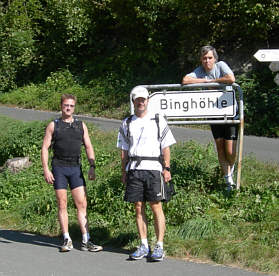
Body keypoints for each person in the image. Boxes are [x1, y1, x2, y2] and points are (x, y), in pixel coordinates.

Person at [117, 86, 176, 261]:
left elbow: (166, 146)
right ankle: (143, 244)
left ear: (147, 101)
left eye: (143, 99)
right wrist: (124, 171)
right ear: (133, 101)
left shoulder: (158, 120)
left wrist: (167, 168)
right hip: (134, 168)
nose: (140, 102)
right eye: (137, 99)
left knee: (155, 205)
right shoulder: (127, 123)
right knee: (138, 207)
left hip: (154, 168)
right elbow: (124, 150)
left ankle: (159, 245)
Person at [41, 94, 103, 252]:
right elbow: (45, 148)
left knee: (82, 204)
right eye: (66, 105)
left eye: (71, 106)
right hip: (59, 168)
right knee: (62, 203)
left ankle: (86, 240)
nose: (68, 108)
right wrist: (46, 169)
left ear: (74, 107)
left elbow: (88, 146)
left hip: (76, 168)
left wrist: (92, 165)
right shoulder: (53, 125)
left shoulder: (81, 125)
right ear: (61, 106)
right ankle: (67, 239)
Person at [182, 45, 238, 191]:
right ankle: (228, 182)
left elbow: (231, 78)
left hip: (229, 111)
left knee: (230, 151)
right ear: (201, 60)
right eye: (204, 58)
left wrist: (214, 81)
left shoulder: (221, 66)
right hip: (213, 113)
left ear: (214, 58)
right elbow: (185, 80)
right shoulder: (200, 71)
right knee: (220, 147)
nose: (207, 61)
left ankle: (231, 170)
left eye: (210, 58)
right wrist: (206, 82)